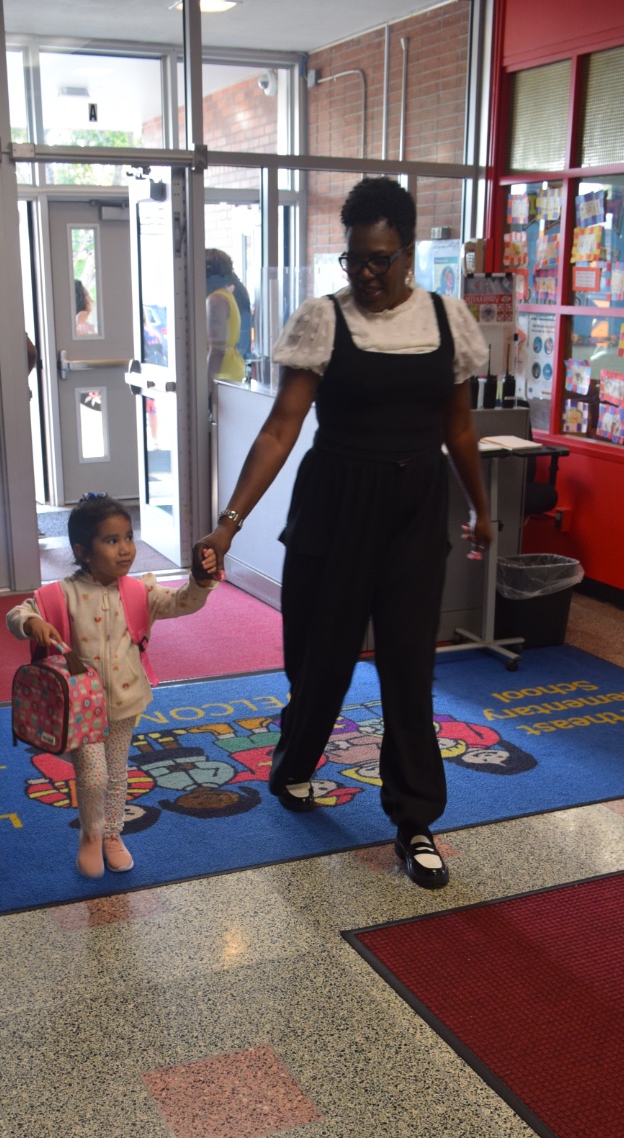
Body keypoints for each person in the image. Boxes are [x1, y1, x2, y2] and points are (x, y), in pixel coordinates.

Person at [194, 177, 492, 890]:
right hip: (334, 501)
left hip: (414, 509)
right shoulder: (322, 320)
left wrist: (480, 507)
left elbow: (457, 427)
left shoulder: (449, 322)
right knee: (320, 659)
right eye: (354, 258)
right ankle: (294, 763)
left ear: (408, 252)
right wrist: (227, 524)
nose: (364, 273)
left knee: (408, 667)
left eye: (379, 259)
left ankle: (414, 822)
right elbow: (280, 427)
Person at [7, 493, 218, 878]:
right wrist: (30, 623)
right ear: (82, 550)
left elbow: (182, 602)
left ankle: (112, 835)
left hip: (124, 702)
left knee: (117, 772)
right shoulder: (60, 594)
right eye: (111, 540)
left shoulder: (139, 591)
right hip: (79, 708)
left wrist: (200, 581)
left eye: (128, 537)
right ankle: (91, 836)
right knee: (95, 774)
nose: (125, 550)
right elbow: (17, 613)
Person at [205, 249, 246, 384]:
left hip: (222, 372)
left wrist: (206, 386)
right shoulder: (225, 294)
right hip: (229, 368)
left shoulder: (215, 300)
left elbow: (217, 349)